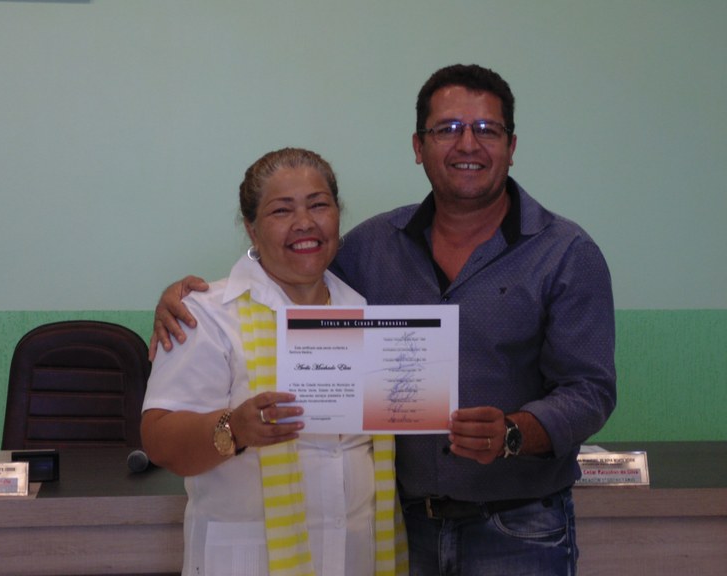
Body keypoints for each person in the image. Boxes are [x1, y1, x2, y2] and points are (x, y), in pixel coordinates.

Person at [151, 65, 616, 576]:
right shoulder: (370, 249)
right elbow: (292, 270)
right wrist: (181, 298)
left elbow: (590, 390)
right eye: (447, 129)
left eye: (487, 129)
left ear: (511, 145)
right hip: (404, 529)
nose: (468, 144)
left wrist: (512, 433)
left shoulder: (566, 253)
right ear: (419, 146)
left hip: (518, 528)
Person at [141, 147, 406, 576]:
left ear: (338, 215)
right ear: (251, 228)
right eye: (282, 210)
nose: (305, 223)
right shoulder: (206, 314)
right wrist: (235, 429)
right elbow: (159, 441)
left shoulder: (363, 310)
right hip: (249, 561)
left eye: (318, 205)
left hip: (356, 557)